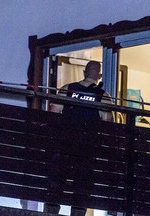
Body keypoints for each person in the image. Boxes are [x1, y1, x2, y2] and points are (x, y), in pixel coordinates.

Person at [44, 60, 114, 216]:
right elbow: (109, 123)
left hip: (65, 146)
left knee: (57, 180)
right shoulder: (103, 96)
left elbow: (53, 113)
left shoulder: (67, 89)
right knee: (83, 184)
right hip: (87, 148)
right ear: (99, 75)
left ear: (84, 72)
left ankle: (51, 212)